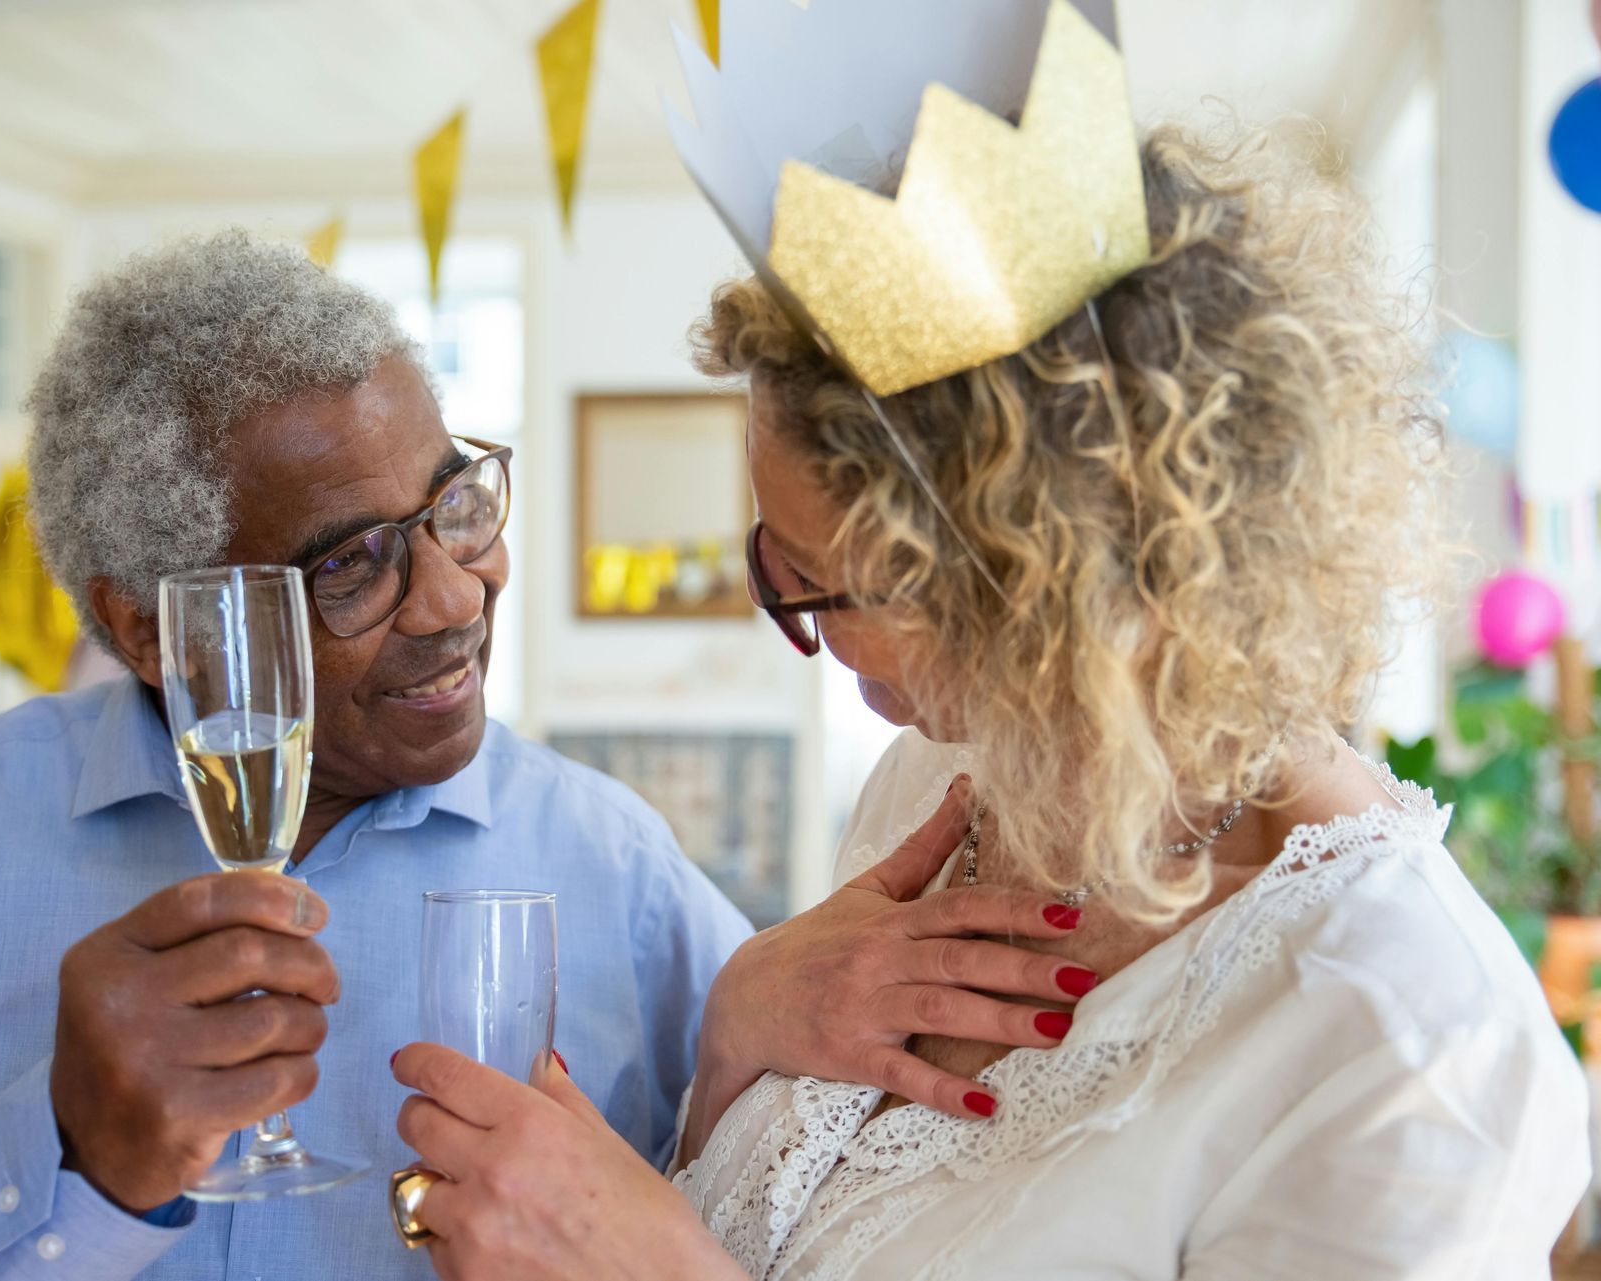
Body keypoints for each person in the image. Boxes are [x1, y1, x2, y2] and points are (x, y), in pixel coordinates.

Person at [384, 123, 1591, 1278]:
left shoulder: (1407, 1047)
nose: (799, 631)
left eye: (823, 590)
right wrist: (736, 1027)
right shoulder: (946, 788)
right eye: (773, 560)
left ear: (1053, 597)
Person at [0, 233, 783, 1281]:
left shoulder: (615, 864)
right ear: (157, 631)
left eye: (457, 504)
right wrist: (67, 1152)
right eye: (353, 564)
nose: (458, 595)